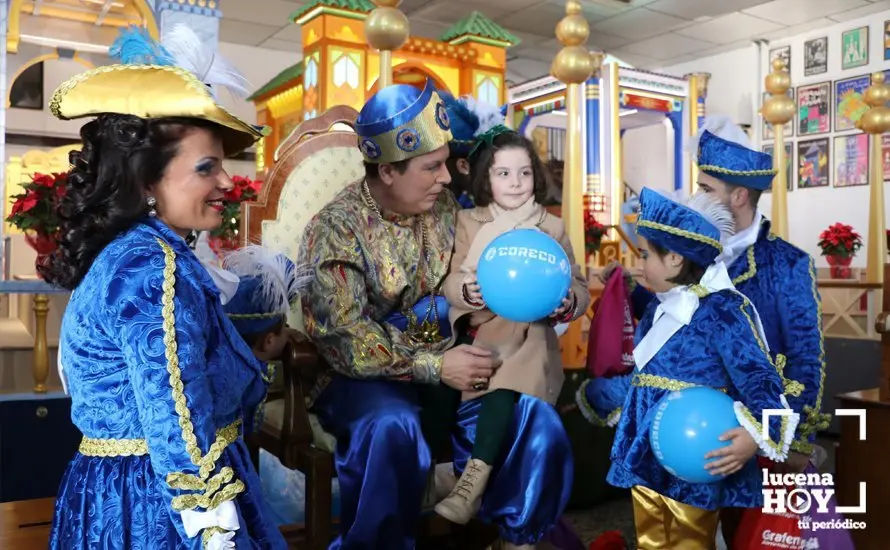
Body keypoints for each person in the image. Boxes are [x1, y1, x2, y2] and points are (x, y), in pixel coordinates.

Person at [299, 79, 573, 550]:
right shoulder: (335, 229)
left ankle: (513, 537)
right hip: (362, 376)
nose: (448, 178)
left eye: (446, 163)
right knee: (392, 427)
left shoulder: (444, 207)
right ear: (387, 170)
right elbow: (344, 338)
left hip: (453, 359)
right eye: (432, 167)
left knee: (533, 417)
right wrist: (435, 365)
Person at [45, 26, 287, 549]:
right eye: (207, 168)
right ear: (148, 182)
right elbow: (173, 408)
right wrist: (210, 521)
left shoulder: (145, 253)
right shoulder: (151, 267)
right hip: (158, 506)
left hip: (132, 492)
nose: (227, 183)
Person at [593, 117, 826, 476]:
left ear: (739, 196)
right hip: (685, 427)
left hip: (744, 434)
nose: (696, 197)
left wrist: (777, 436)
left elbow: (805, 359)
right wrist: (627, 288)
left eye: (705, 188)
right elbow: (675, 319)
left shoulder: (788, 263)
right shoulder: (690, 250)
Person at [608, 188, 800, 548]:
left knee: (690, 540)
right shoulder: (659, 307)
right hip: (648, 449)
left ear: (676, 259)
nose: (640, 263)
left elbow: (760, 378)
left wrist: (756, 435)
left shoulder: (724, 311)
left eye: (646, 254)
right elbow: (648, 369)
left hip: (697, 452)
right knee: (651, 538)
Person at [435, 124, 587, 525]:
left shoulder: (551, 226)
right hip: (484, 325)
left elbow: (577, 283)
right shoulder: (468, 221)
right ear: (486, 177)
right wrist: (465, 291)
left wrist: (569, 300)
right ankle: (453, 473)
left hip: (532, 332)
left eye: (524, 172)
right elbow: (450, 278)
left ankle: (473, 480)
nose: (516, 182)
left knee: (521, 362)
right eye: (503, 173)